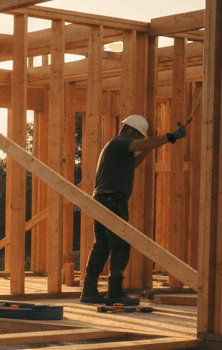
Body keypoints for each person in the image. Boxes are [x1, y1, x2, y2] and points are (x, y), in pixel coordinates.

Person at [79, 114, 188, 306]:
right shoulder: (120, 142)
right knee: (120, 245)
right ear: (131, 131)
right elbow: (140, 145)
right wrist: (170, 136)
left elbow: (135, 162)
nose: (138, 142)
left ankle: (89, 291)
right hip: (113, 201)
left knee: (102, 246)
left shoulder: (118, 150)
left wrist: (148, 148)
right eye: (138, 137)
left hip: (103, 199)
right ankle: (115, 292)